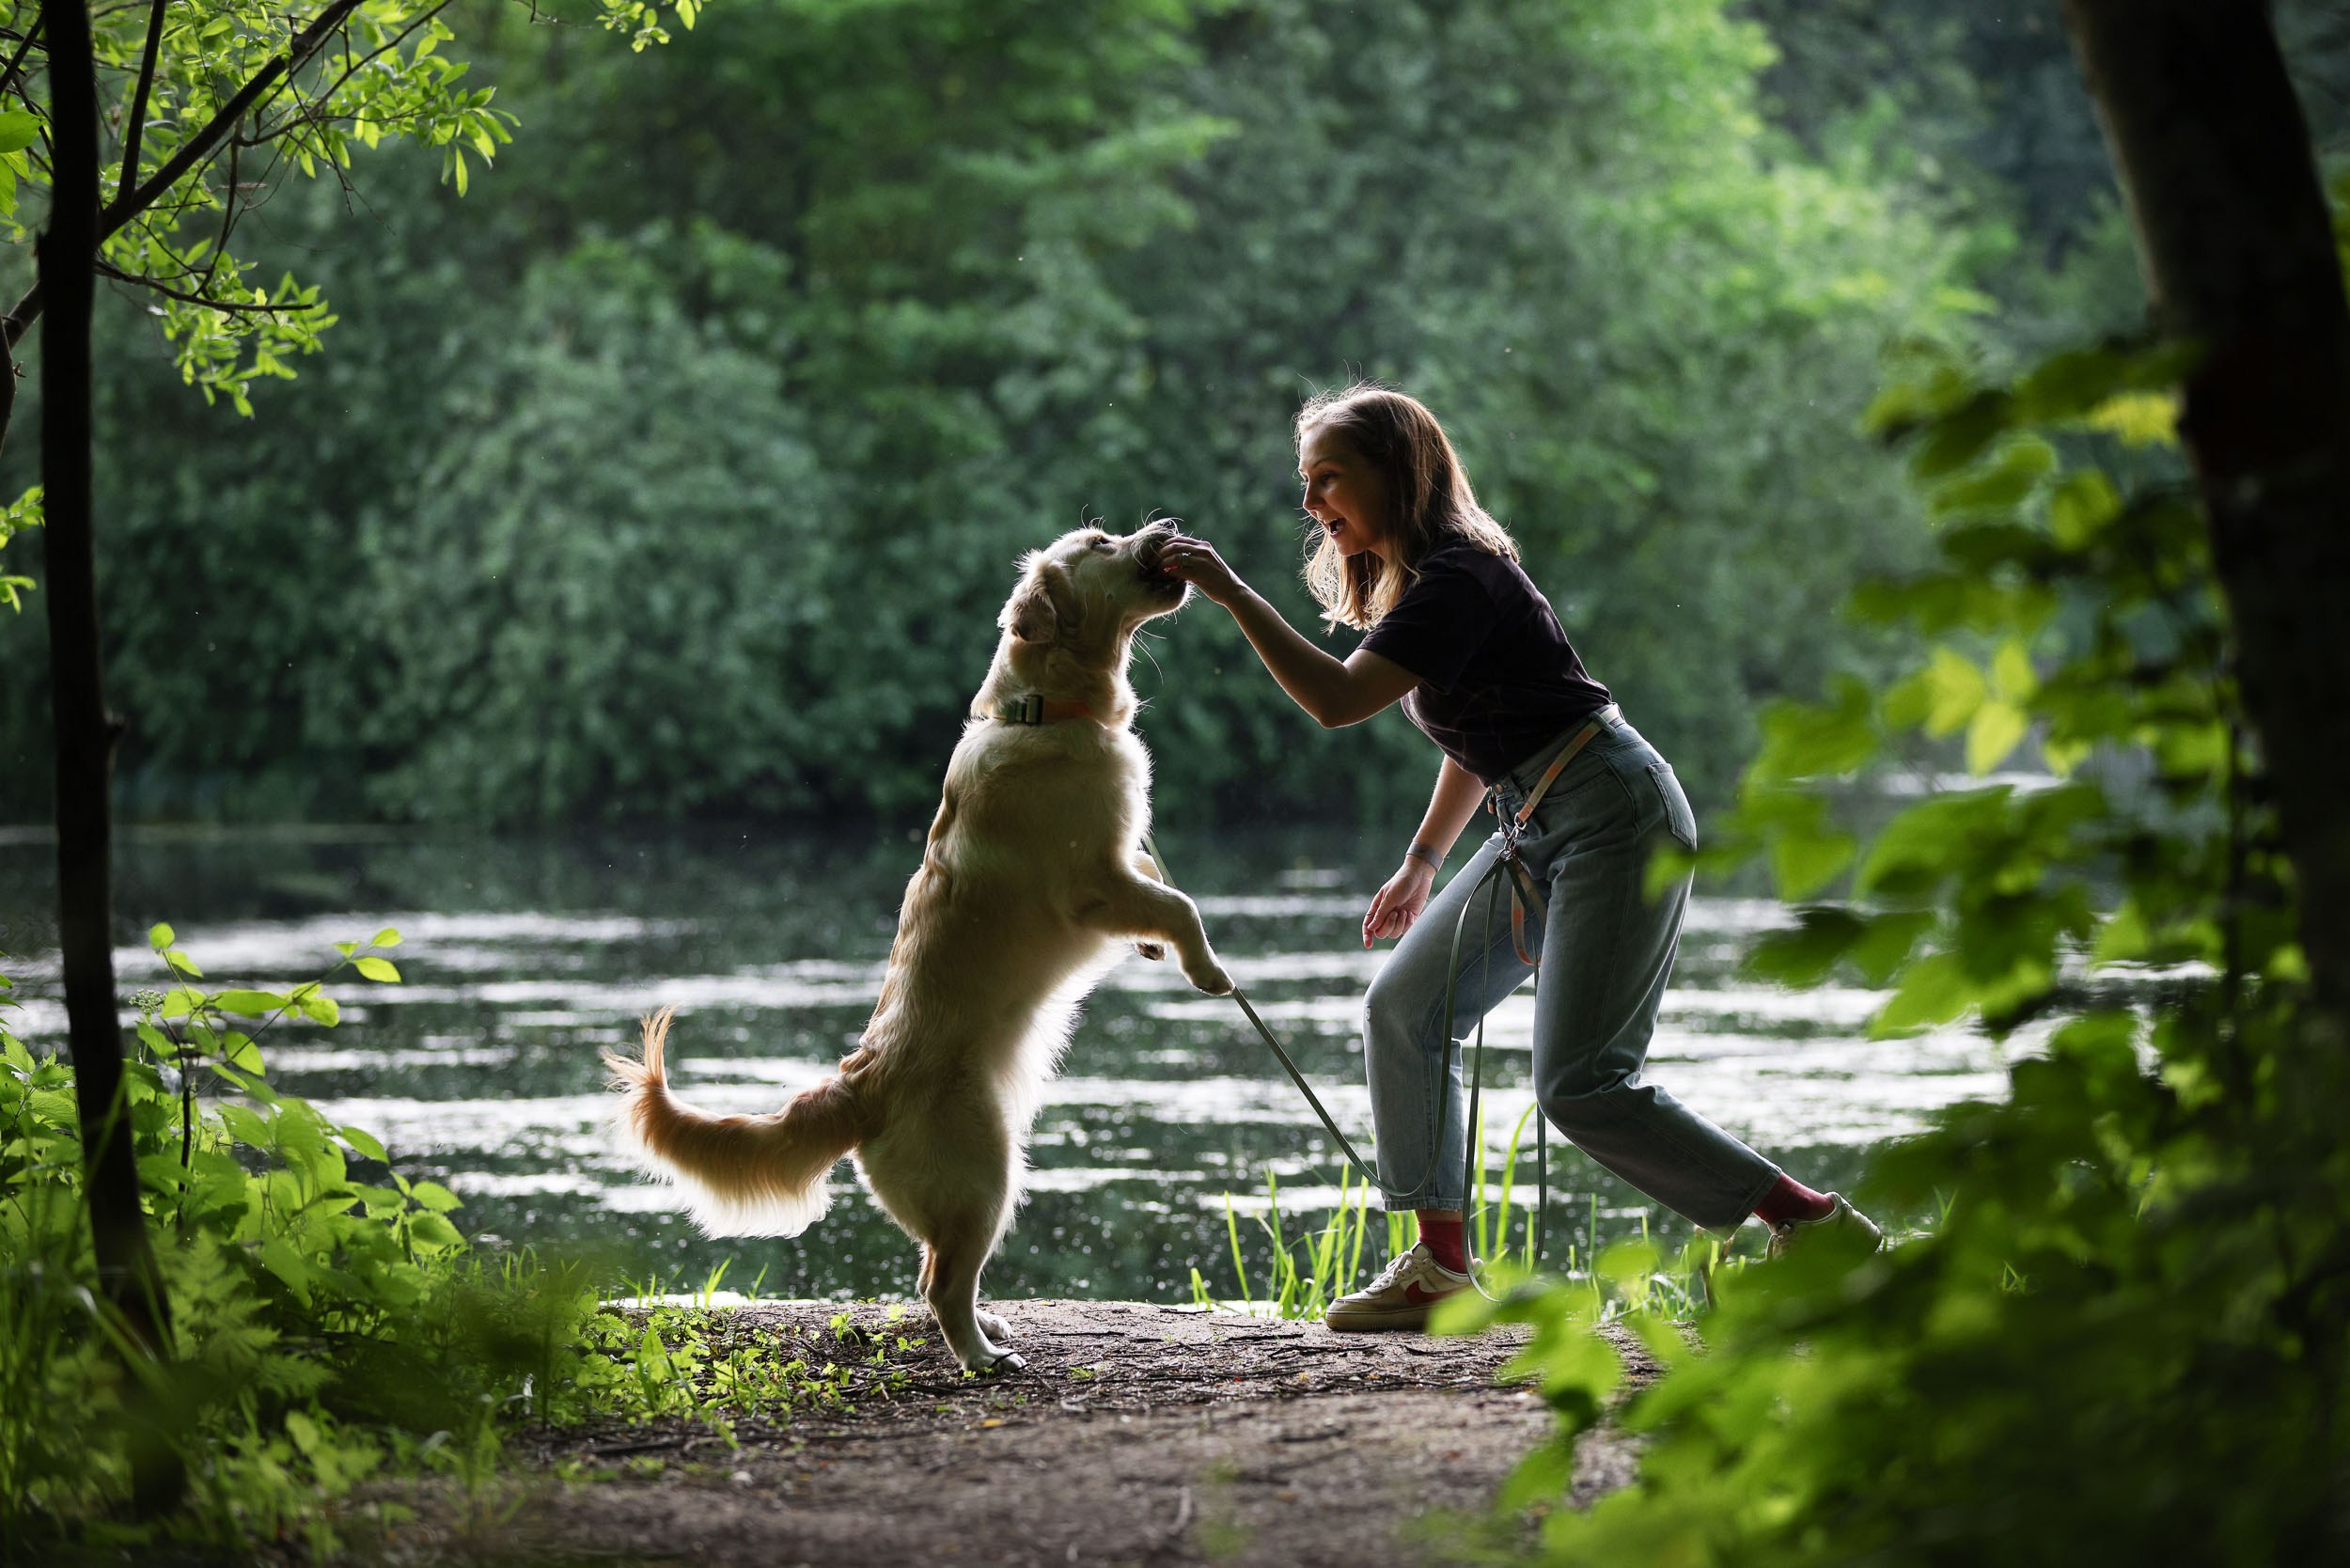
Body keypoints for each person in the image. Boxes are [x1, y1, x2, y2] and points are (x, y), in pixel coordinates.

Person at [1158, 384, 1880, 1331]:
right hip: (1533, 820)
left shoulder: (1461, 577)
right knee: (1404, 1011)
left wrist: (1231, 593)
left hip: (1614, 815)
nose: (1309, 502)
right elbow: (1477, 738)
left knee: (1582, 1085)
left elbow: (1335, 702)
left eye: (1327, 478)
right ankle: (1440, 1269)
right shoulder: (1426, 584)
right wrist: (1423, 860)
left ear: (1396, 472)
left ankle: (1810, 1222)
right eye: (1306, 482)